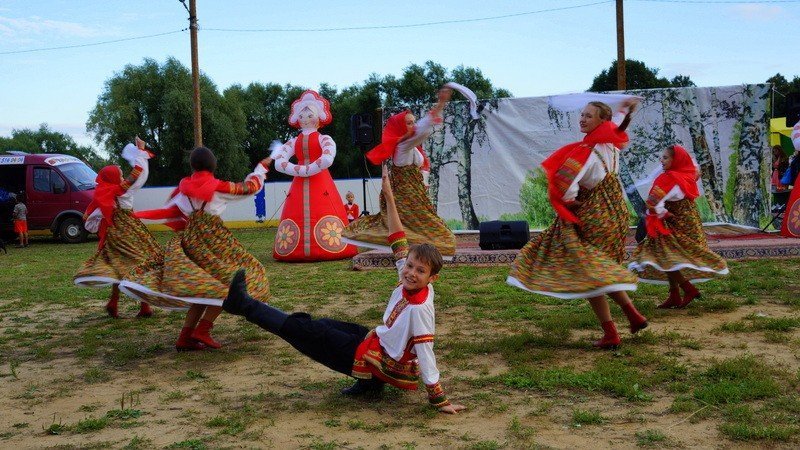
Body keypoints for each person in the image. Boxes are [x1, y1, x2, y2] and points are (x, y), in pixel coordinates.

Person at [223, 164, 465, 414]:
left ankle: (243, 305)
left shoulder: (420, 309)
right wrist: (389, 195)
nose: (411, 272)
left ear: (432, 278)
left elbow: (426, 352)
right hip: (377, 343)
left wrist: (439, 399)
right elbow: (397, 237)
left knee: (305, 329)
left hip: (383, 359)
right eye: (410, 266)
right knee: (325, 324)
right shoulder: (410, 279)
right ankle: (370, 384)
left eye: (420, 271)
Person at [507, 100, 648, 349]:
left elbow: (567, 182)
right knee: (600, 270)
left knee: (589, 273)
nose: (582, 119)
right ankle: (633, 317)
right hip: (616, 214)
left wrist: (570, 202)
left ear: (600, 122)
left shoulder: (587, 152)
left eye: (589, 116)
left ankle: (612, 332)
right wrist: (624, 110)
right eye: (581, 115)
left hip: (594, 216)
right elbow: (615, 123)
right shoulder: (611, 146)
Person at [119, 146, 272, 351]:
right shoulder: (218, 187)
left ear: (192, 165)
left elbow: (174, 210)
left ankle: (185, 337)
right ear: (213, 165)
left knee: (204, 288)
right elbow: (250, 187)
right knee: (230, 284)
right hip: (215, 242)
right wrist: (261, 168)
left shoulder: (184, 189)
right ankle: (203, 330)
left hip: (191, 242)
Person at [342, 87, 456, 258]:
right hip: (407, 196)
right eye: (409, 123)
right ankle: (423, 251)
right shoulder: (404, 145)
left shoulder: (412, 147)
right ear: (400, 127)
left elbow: (422, 134)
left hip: (415, 194)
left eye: (413, 122)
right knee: (437, 230)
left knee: (427, 225)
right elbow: (423, 129)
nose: (413, 125)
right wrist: (440, 103)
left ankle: (420, 250)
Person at [628, 145, 729, 308]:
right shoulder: (686, 175)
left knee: (665, 256)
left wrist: (663, 213)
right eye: (662, 157)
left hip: (674, 223)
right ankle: (675, 294)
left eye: (666, 158)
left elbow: (652, 204)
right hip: (688, 221)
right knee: (667, 256)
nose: (661, 160)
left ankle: (688, 289)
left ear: (676, 161)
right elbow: (694, 167)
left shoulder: (668, 179)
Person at [74, 137, 159, 318]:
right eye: (119, 174)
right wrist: (141, 152)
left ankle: (114, 302)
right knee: (141, 263)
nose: (122, 176)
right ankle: (144, 306)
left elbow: (92, 215)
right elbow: (139, 173)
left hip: (114, 233)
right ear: (113, 178)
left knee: (117, 266)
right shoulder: (122, 190)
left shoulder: (104, 192)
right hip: (130, 229)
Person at [270, 90, 357, 262]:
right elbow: (279, 160)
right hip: (302, 180)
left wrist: (307, 169)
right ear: (297, 118)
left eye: (310, 114)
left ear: (318, 118)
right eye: (302, 115)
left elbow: (327, 157)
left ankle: (329, 245)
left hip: (320, 180)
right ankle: (294, 247)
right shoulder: (294, 141)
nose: (305, 117)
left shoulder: (324, 138)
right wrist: (299, 169)